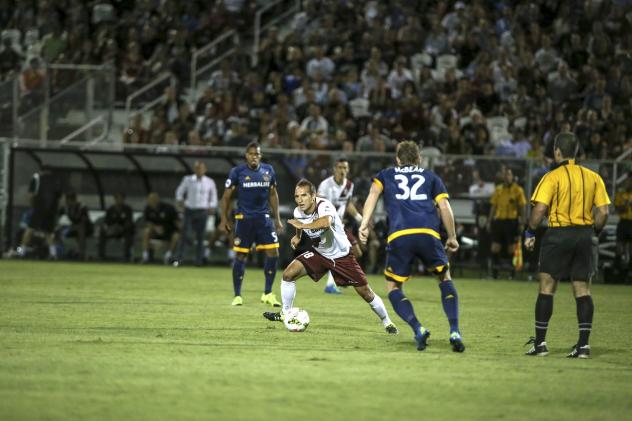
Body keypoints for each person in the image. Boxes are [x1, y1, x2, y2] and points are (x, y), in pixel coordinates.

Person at [358, 141, 465, 352]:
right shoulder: (431, 177)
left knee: (394, 287)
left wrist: (364, 224)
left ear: (397, 159)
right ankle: (454, 330)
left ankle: (418, 328)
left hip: (400, 235)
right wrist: (451, 236)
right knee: (444, 278)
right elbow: (444, 206)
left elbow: (372, 194)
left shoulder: (386, 174)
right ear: (419, 159)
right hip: (428, 234)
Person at [262, 179, 398, 335]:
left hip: (341, 256)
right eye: (297, 196)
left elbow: (325, 223)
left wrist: (303, 226)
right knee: (288, 274)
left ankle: (387, 322)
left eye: (304, 195)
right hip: (319, 253)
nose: (300, 200)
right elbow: (299, 223)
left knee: (366, 293)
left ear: (313, 196)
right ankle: (285, 313)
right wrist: (298, 236)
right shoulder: (298, 212)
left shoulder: (324, 206)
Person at [523, 132, 610, 358]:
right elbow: (603, 212)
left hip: (558, 235)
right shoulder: (594, 177)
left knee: (547, 288)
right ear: (578, 151)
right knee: (582, 290)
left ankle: (540, 344)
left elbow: (540, 210)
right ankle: (583, 346)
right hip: (585, 234)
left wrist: (530, 231)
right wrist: (593, 232)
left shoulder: (552, 177)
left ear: (557, 152)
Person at [219, 141, 284, 307]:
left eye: (257, 154)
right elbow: (226, 197)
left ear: (260, 156)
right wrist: (224, 219)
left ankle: (268, 293)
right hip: (244, 220)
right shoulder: (237, 172)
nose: (254, 157)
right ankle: (237, 295)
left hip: (264, 219)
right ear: (246, 155)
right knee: (241, 255)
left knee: (273, 253)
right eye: (251, 154)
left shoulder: (268, 170)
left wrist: (276, 218)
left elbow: (273, 194)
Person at [317, 158, 364, 294]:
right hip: (327, 225)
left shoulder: (349, 185)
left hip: (339, 226)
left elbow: (347, 204)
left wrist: (358, 217)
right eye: (340, 168)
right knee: (343, 252)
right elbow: (318, 205)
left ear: (348, 170)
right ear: (334, 169)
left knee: (355, 252)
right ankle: (333, 282)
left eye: (345, 168)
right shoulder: (326, 185)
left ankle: (337, 278)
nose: (342, 170)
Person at [173, 161, 218, 266]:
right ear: (194, 169)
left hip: (203, 211)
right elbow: (179, 191)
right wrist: (180, 201)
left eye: (201, 168)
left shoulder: (209, 182)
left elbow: (214, 196)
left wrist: (211, 206)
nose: (199, 170)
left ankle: (199, 261)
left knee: (201, 237)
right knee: (185, 235)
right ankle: (179, 259)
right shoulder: (188, 180)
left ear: (205, 169)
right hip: (189, 210)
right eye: (197, 168)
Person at [487, 167, 527, 279]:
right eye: (505, 175)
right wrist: (489, 220)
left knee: (511, 248)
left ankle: (512, 273)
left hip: (512, 222)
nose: (506, 177)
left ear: (512, 176)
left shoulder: (518, 190)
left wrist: (522, 222)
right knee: (495, 247)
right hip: (499, 221)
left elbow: (522, 207)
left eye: (509, 174)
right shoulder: (498, 189)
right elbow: (493, 206)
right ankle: (495, 273)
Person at [16, 166, 63, 259]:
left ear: (41, 171)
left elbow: (30, 195)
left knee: (29, 230)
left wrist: (33, 206)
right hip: (51, 210)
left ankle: (20, 252)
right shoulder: (56, 179)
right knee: (48, 232)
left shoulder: (36, 177)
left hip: (38, 208)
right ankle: (53, 254)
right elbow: (59, 197)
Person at [141, 192, 180, 264]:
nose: (151, 201)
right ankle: (145, 257)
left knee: (176, 236)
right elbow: (147, 222)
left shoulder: (168, 208)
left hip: (168, 232)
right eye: (150, 199)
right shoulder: (148, 209)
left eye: (153, 199)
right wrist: (155, 227)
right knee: (146, 231)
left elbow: (176, 222)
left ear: (157, 199)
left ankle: (168, 256)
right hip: (155, 233)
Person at [98, 193, 135, 262]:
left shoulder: (128, 209)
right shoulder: (110, 210)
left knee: (128, 234)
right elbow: (106, 222)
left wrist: (122, 228)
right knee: (102, 232)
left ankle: (126, 256)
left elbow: (130, 222)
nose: (119, 200)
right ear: (115, 199)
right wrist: (109, 228)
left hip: (124, 231)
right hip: (112, 230)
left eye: (121, 199)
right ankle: (101, 256)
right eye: (118, 198)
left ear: (124, 200)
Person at [58, 192, 94, 260]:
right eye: (67, 201)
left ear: (74, 200)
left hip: (87, 229)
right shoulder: (66, 208)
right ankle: (59, 252)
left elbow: (84, 221)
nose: (68, 202)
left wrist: (74, 226)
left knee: (80, 229)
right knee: (59, 230)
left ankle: (82, 254)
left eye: (70, 201)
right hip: (73, 228)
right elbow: (57, 214)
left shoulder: (82, 207)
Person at [614, 176, 632, 276]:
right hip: (623, 222)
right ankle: (617, 269)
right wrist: (625, 205)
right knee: (619, 246)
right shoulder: (621, 193)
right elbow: (618, 209)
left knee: (631, 248)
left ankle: (630, 270)